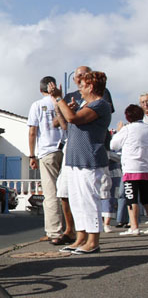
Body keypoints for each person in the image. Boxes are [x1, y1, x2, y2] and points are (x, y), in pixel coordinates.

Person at [48, 71, 111, 254]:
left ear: (91, 87)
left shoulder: (101, 105)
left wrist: (59, 98)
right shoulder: (86, 104)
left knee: (89, 201)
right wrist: (66, 106)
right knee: (77, 201)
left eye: (82, 86)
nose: (80, 90)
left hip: (89, 160)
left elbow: (74, 119)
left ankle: (93, 241)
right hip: (75, 160)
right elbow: (67, 124)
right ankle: (81, 237)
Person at [27, 76, 65, 242]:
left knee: (51, 194)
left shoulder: (37, 105)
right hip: (65, 148)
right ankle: (73, 229)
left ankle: (54, 232)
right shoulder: (62, 102)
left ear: (40, 89)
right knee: (67, 192)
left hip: (47, 151)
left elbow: (32, 132)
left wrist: (32, 154)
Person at [110, 104, 148, 235]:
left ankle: (134, 226)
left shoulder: (127, 129)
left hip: (131, 169)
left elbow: (113, 145)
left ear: (127, 116)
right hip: (145, 169)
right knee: (146, 199)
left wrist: (119, 131)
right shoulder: (146, 128)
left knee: (131, 199)